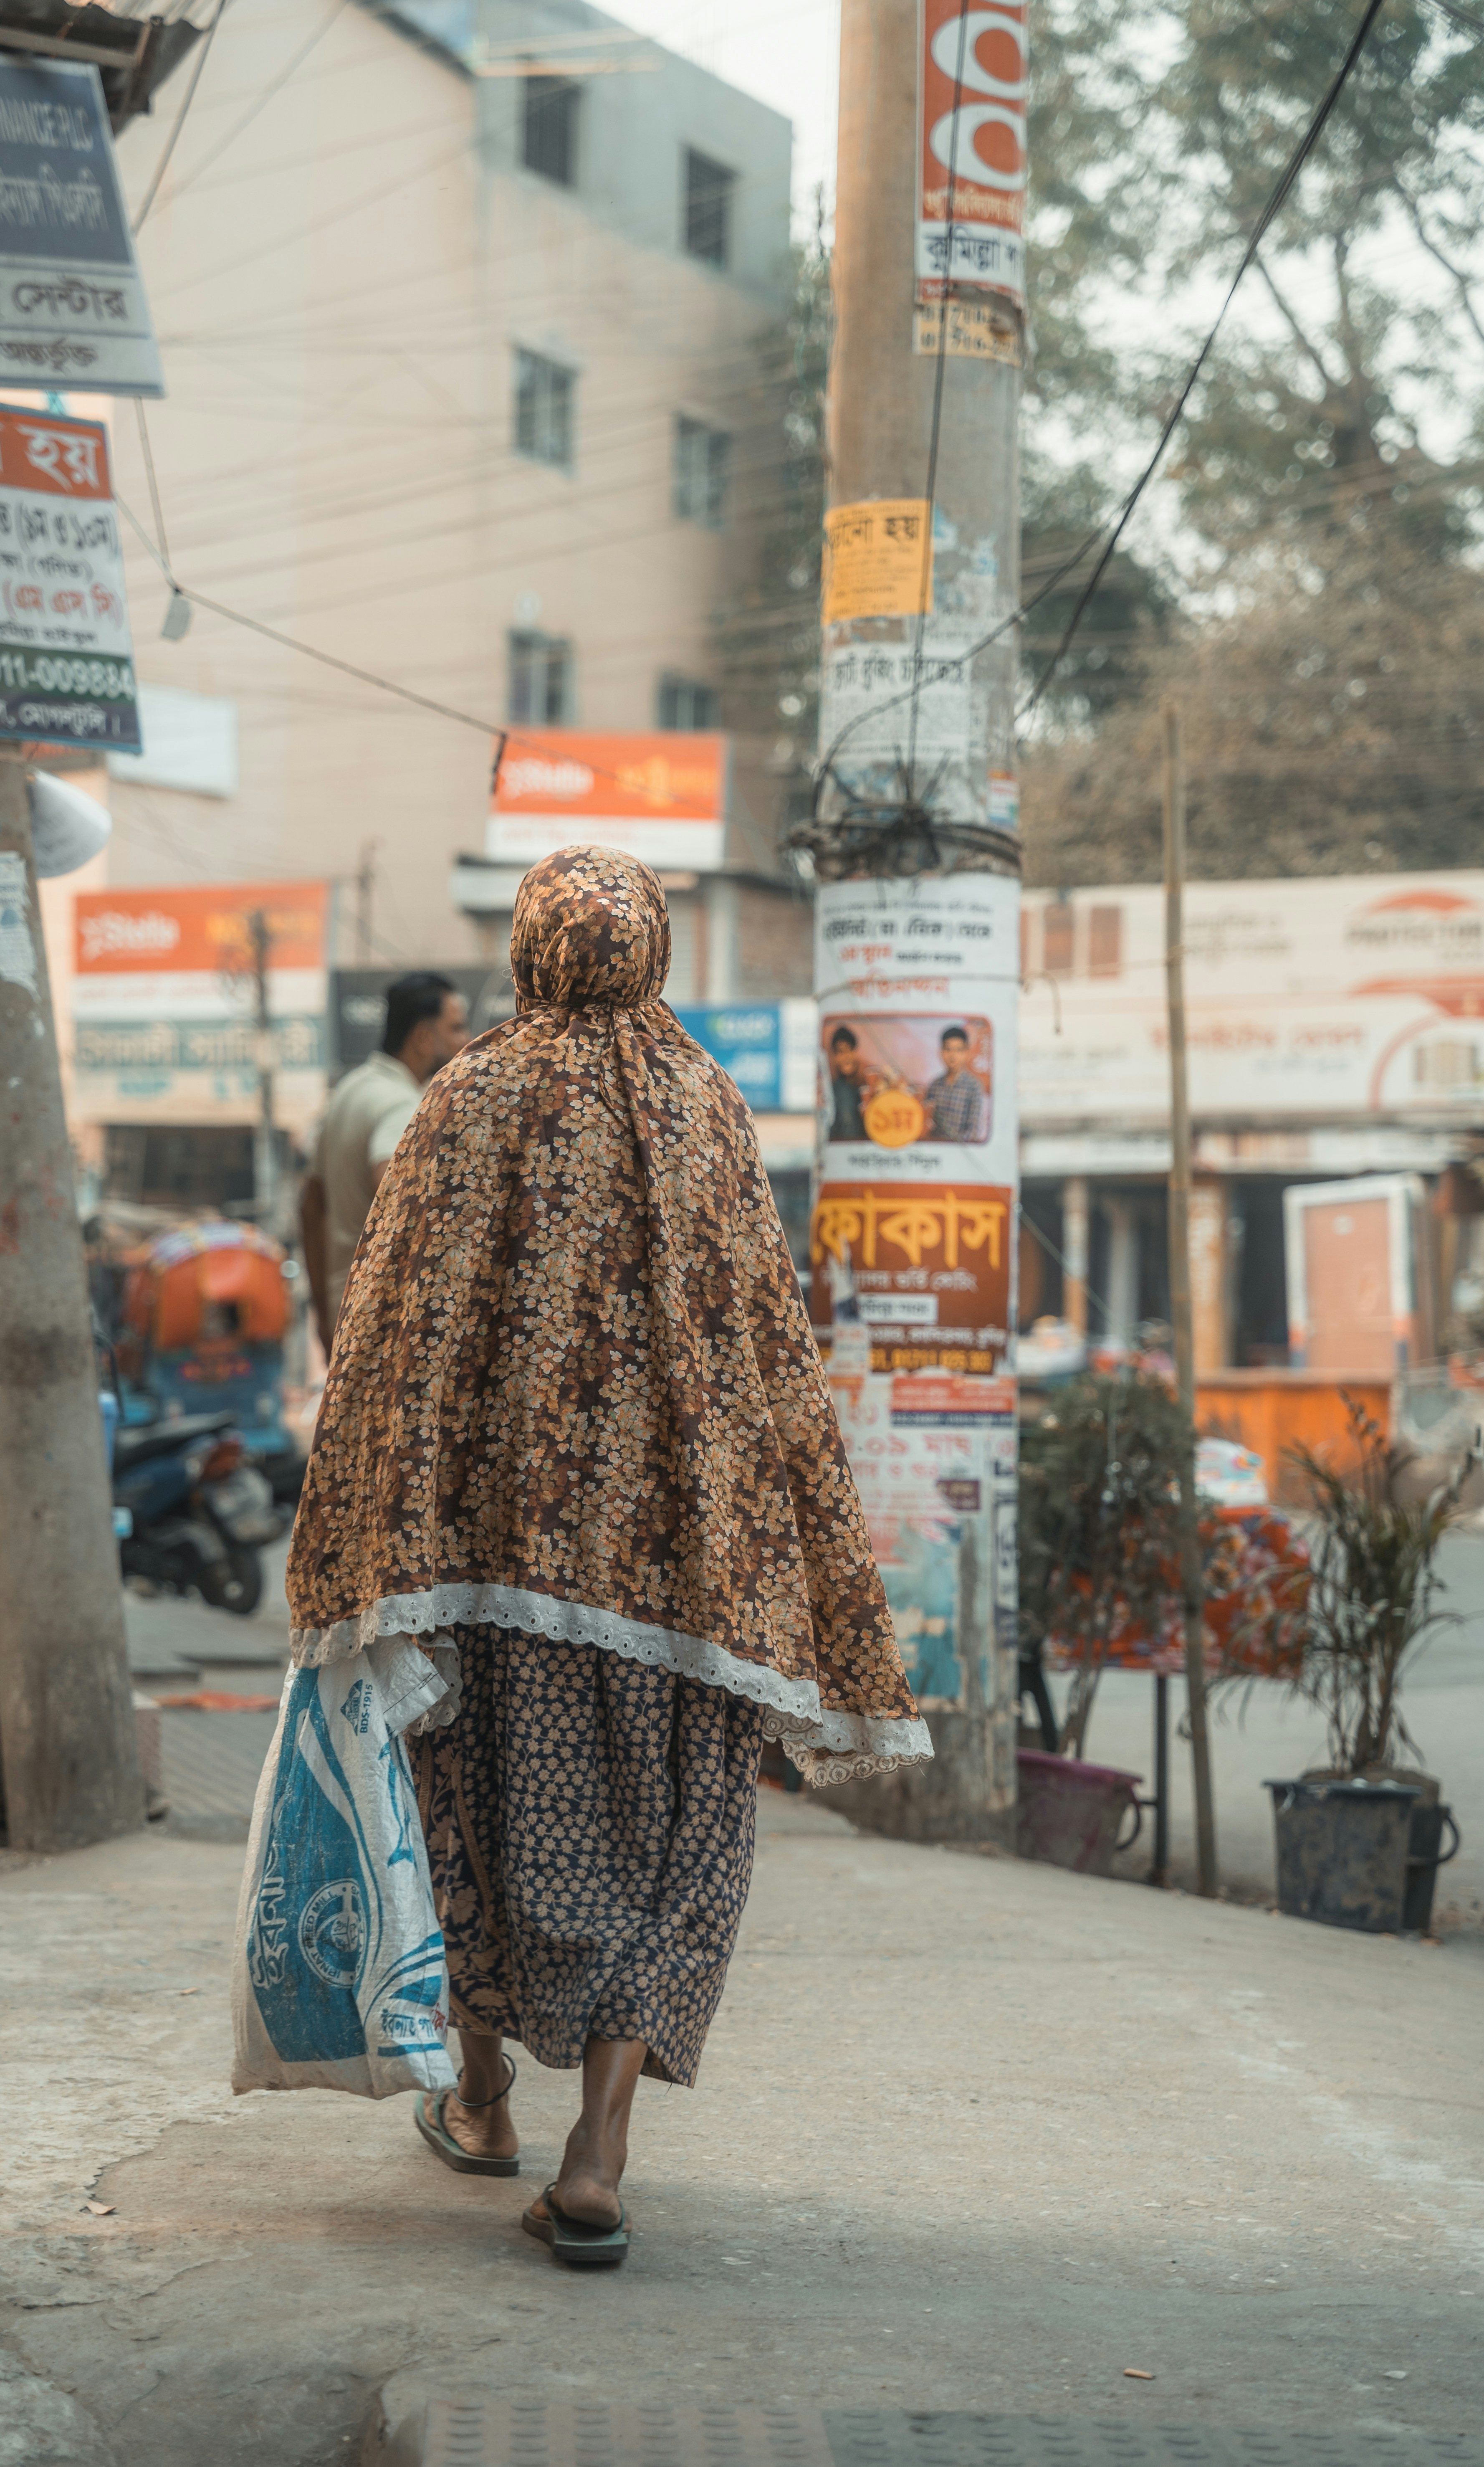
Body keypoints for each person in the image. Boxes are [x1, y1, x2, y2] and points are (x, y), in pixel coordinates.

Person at [285, 847, 931, 2270]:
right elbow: (766, 1334)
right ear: (645, 953)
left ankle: (483, 2095)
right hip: (685, 1576)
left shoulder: (464, 1097)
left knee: (472, 1815)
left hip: (490, 1566)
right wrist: (798, 1550)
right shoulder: (705, 1106)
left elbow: (393, 1325)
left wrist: (358, 1524)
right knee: (673, 1848)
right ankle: (600, 2152)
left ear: (529, 950)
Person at [299, 971, 468, 1357]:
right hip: (385, 1322)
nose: (465, 1041)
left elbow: (310, 1207)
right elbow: (394, 1191)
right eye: (456, 1028)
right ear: (424, 1038)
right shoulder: (401, 1105)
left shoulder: (350, 1091)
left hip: (343, 1310)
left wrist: (323, 1318)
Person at [925, 1023, 987, 1143]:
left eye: (959, 1050)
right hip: (936, 1151)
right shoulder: (935, 1085)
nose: (953, 1055)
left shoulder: (974, 1086)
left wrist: (955, 1149)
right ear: (941, 1052)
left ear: (967, 1053)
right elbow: (928, 1122)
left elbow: (973, 1130)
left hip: (961, 1153)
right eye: (948, 1049)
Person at [826, 1021, 869, 1141]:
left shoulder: (862, 1085)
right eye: (841, 1052)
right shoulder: (840, 1090)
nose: (846, 1057)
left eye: (850, 1050)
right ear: (834, 1057)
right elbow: (848, 1129)